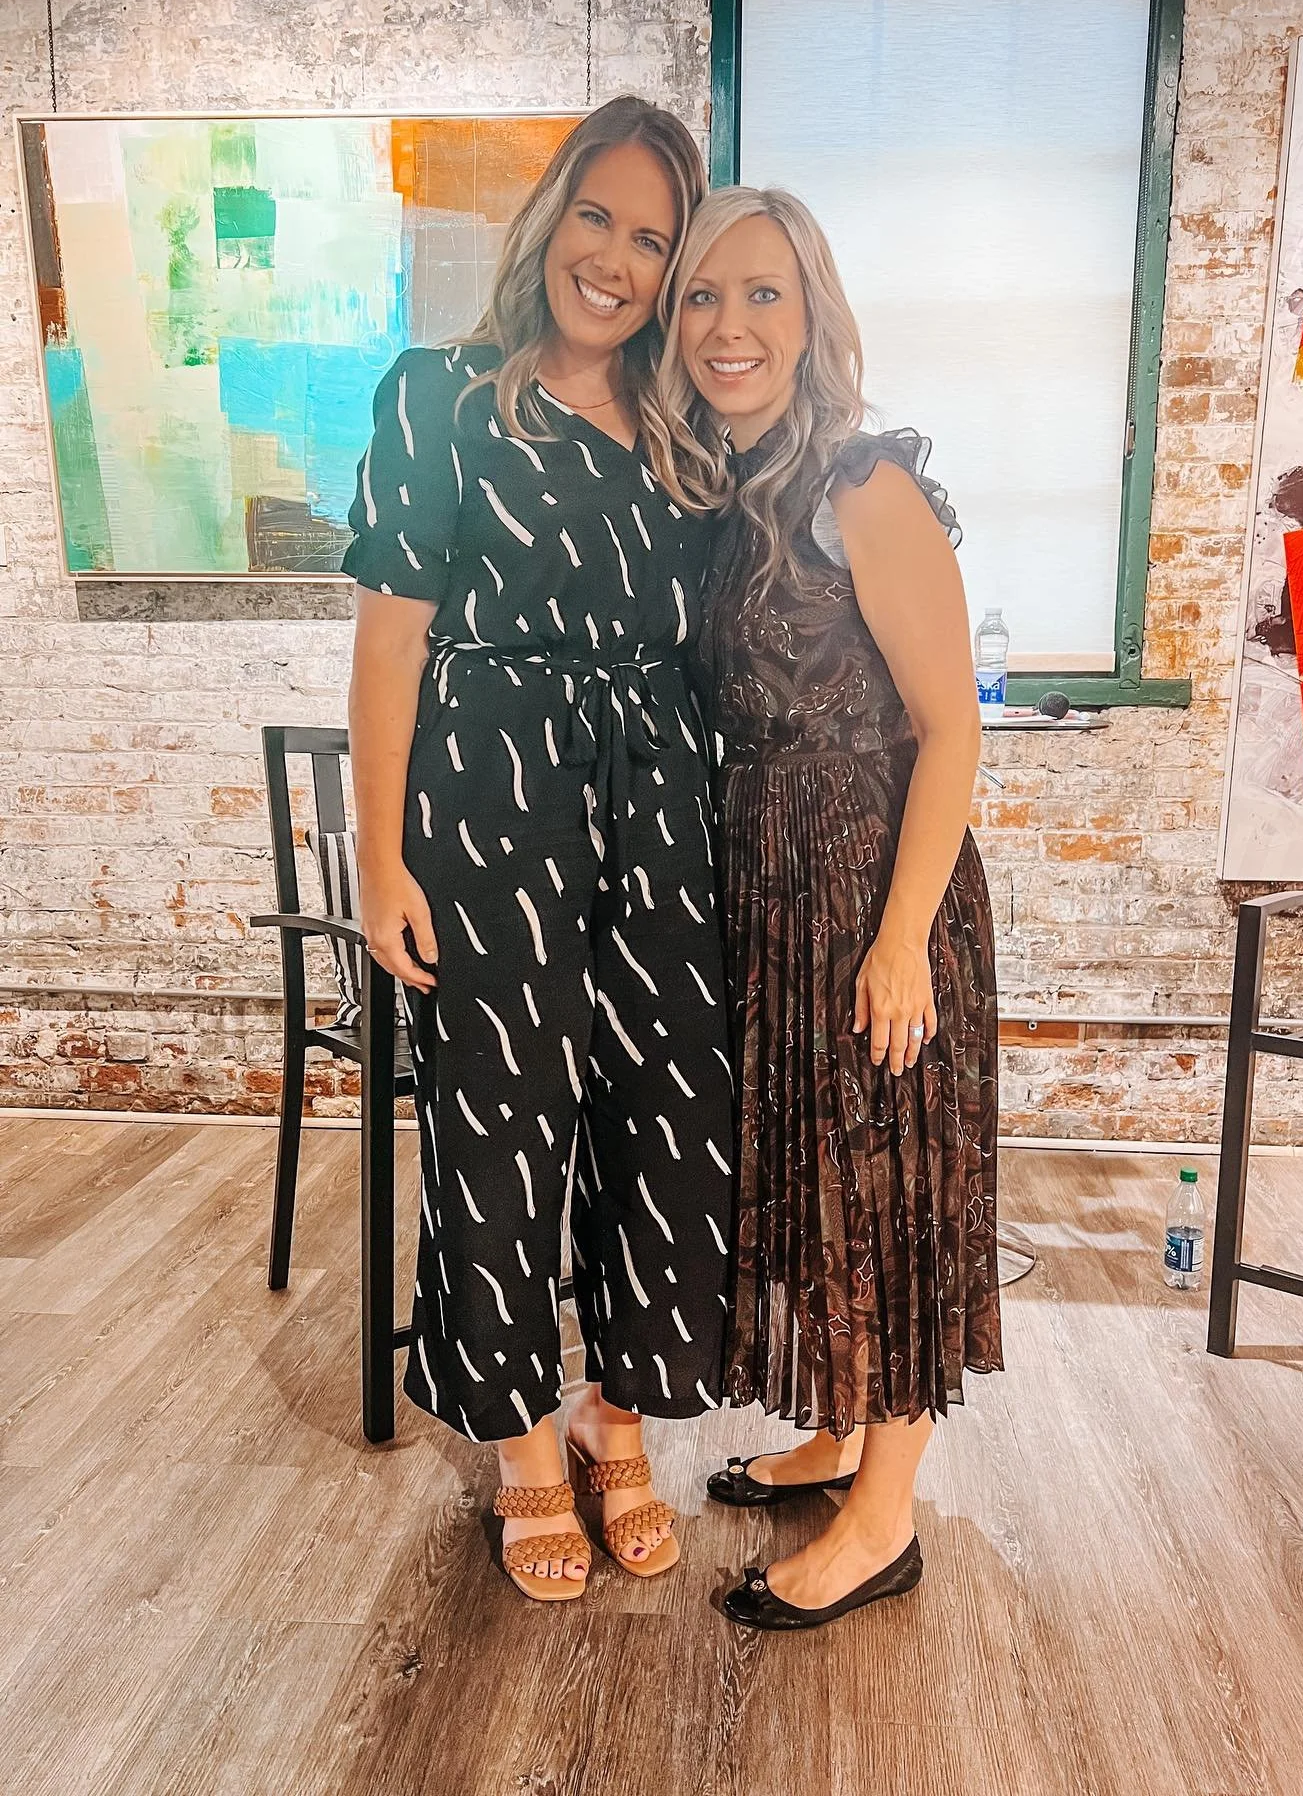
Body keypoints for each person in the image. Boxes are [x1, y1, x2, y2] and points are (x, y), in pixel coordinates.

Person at [343, 98, 734, 1603]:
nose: (617, 260)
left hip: (661, 803)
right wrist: (382, 859)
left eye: (652, 240)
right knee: (500, 1122)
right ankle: (518, 1444)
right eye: (598, 218)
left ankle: (613, 1416)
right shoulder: (441, 397)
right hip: (491, 794)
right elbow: (390, 642)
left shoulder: (688, 431)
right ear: (552, 216)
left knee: (670, 1111)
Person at [658, 186, 1002, 1630]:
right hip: (763, 887)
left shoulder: (866, 484)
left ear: (813, 318)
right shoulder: (709, 496)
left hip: (870, 889)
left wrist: (902, 936)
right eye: (701, 295)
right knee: (814, 1182)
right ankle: (839, 1438)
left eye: (763, 294)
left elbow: (951, 728)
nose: (729, 325)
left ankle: (882, 1521)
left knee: (890, 1185)